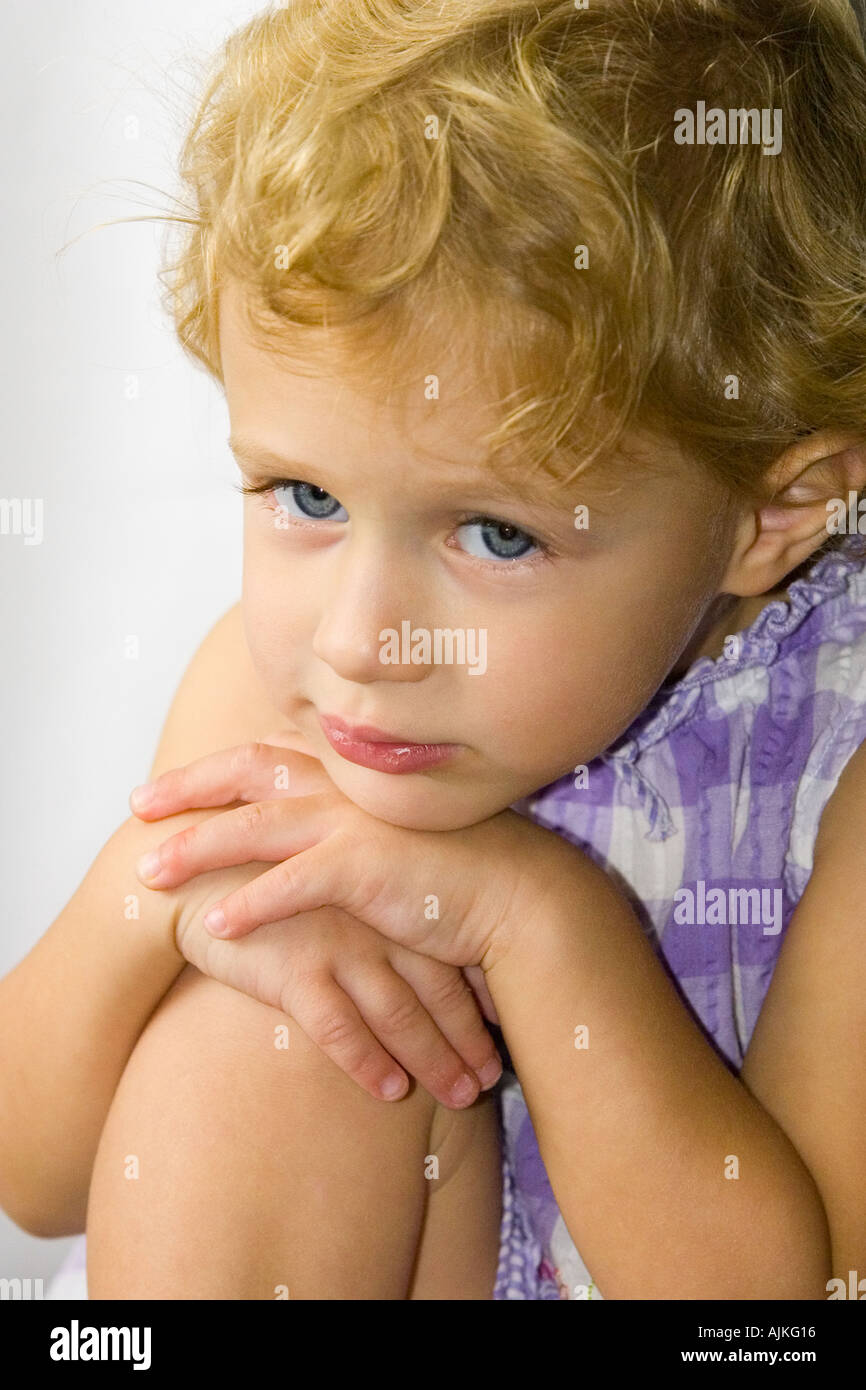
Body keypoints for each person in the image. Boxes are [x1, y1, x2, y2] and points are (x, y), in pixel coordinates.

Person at [4, 0, 866, 1299]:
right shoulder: (285, 692)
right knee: (266, 1028)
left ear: (775, 513)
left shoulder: (835, 757)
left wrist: (532, 916)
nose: (362, 640)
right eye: (305, 497)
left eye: (495, 535)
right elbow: (35, 1175)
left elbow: (790, 1308)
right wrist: (159, 900)